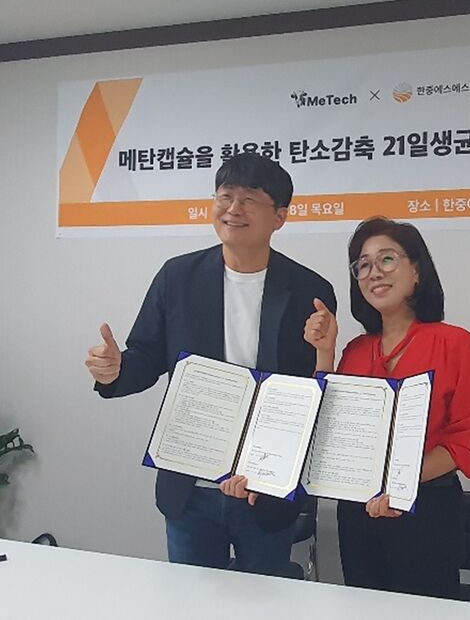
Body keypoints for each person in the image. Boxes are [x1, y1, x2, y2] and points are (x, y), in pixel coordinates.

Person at [85, 152, 336, 575]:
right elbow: (146, 355)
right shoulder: (177, 277)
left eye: (249, 199)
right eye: (225, 196)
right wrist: (116, 370)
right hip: (191, 489)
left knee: (264, 600)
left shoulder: (309, 290)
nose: (233, 209)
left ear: (279, 217)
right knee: (190, 602)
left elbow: (309, 392)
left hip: (264, 490)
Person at [305, 216, 470, 599]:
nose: (374, 272)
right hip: (359, 510)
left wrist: (397, 486)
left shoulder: (455, 343)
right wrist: (325, 353)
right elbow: (330, 431)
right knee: (364, 607)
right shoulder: (356, 350)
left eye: (387, 259)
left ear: (416, 271)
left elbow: (462, 442)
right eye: (363, 265)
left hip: (426, 507)